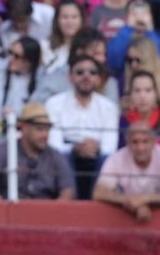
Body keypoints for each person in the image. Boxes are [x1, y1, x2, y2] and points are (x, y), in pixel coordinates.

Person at [46, 50, 118, 198]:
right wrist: (75, 148)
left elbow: (109, 147)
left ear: (98, 78)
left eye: (92, 72)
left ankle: (95, 204)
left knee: (106, 159)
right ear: (70, 77)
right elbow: (54, 145)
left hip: (96, 154)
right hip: (67, 153)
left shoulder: (109, 107)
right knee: (62, 157)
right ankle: (72, 207)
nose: (86, 76)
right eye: (80, 72)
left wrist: (93, 148)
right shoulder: (54, 103)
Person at [0, 96, 70, 196]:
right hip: (12, 208)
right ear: (24, 128)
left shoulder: (54, 155)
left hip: (45, 209)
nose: (45, 135)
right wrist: (1, 207)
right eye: (40, 129)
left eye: (47, 129)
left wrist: (55, 210)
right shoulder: (7, 149)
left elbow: (68, 189)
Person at [92, 120, 160, 219]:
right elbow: (99, 192)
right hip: (122, 219)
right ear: (127, 143)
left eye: (145, 141)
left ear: (154, 142)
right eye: (135, 142)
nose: (140, 147)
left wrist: (143, 199)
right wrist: (135, 203)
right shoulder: (116, 158)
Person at [120, 68, 160, 148]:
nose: (142, 96)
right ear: (130, 95)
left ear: (156, 94)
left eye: (148, 90)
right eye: (137, 91)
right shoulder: (123, 122)